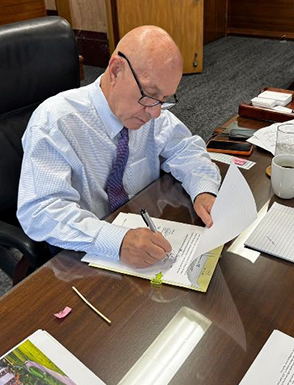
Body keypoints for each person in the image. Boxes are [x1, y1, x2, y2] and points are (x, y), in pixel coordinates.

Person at [17, 25, 221, 268]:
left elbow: (185, 148)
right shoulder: (55, 121)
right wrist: (117, 241)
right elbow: (41, 211)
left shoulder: (148, 111)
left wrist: (204, 190)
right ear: (115, 71)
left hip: (145, 227)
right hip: (82, 256)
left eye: (164, 99)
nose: (155, 112)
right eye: (150, 94)